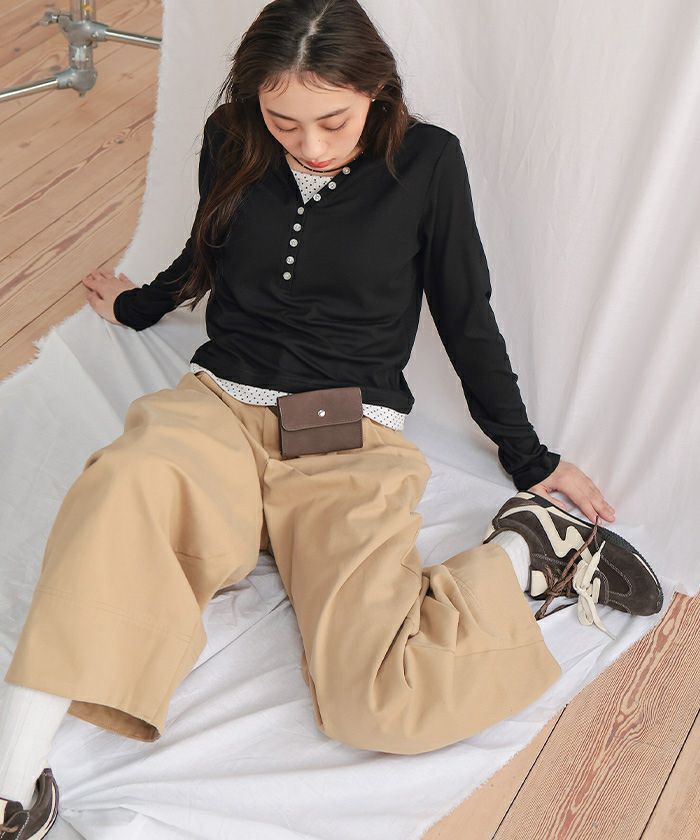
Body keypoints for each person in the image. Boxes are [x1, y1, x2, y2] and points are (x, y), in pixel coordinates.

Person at [0, 0, 663, 835]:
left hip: (348, 432)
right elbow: (206, 245)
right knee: (121, 487)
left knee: (379, 699)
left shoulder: (427, 161)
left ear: (376, 90)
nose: (309, 145)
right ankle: (13, 784)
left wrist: (531, 459)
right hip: (220, 404)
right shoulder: (232, 136)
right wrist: (140, 306)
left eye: (333, 121)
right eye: (284, 122)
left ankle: (529, 551)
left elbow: (467, 316)